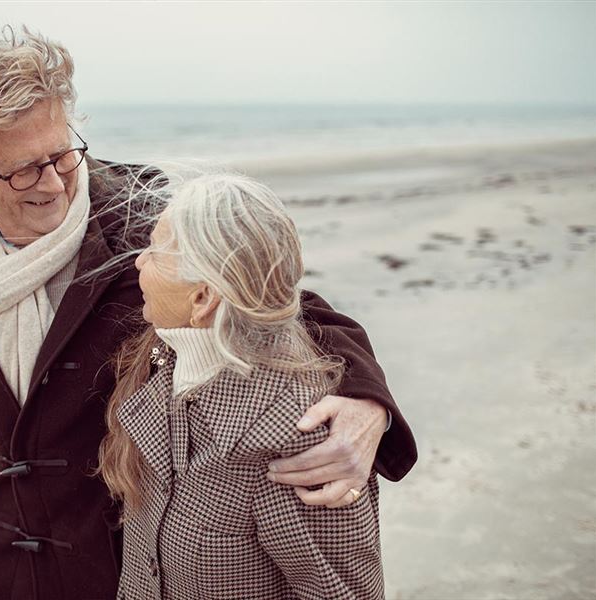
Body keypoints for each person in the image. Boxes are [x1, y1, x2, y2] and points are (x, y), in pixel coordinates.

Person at [0, 26, 416, 599]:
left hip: (117, 555)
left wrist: (366, 398)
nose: (54, 182)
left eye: (61, 154)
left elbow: (279, 304)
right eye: (25, 169)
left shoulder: (140, 217)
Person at [100, 171, 384, 599]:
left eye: (157, 251)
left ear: (202, 299)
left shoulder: (293, 439)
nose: (138, 261)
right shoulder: (161, 369)